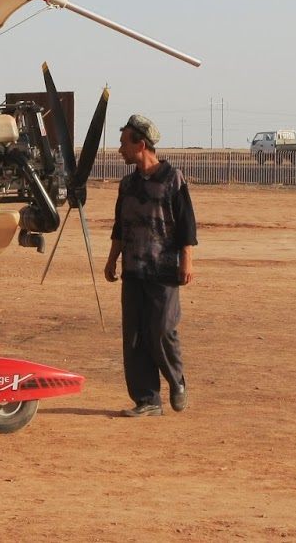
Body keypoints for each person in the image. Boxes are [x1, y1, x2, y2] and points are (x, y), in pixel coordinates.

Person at [104, 113, 197, 418]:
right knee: (134, 337)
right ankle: (148, 400)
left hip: (164, 270)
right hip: (133, 270)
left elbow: (186, 224)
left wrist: (186, 260)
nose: (120, 149)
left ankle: (177, 381)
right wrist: (112, 259)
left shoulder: (173, 179)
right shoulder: (127, 184)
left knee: (160, 329)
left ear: (141, 144)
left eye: (124, 143)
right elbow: (119, 226)